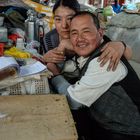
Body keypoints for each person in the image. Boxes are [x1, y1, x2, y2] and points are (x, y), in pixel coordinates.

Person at [47, 11, 140, 140]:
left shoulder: (105, 59)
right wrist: (61, 48)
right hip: (105, 124)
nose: (79, 38)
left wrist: (55, 74)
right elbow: (72, 69)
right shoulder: (96, 50)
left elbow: (73, 101)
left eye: (86, 31)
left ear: (100, 33)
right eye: (74, 33)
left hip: (126, 132)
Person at [43, 0, 132, 72]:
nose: (64, 25)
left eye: (70, 18)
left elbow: (127, 55)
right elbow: (52, 67)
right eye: (58, 19)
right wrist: (44, 58)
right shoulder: (49, 38)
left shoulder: (93, 36)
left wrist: (121, 46)